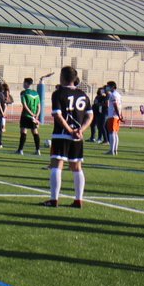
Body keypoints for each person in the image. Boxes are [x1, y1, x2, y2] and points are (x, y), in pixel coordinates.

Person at [43, 66, 92, 208]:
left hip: (61, 134)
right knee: (77, 167)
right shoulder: (83, 94)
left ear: (63, 77)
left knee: (56, 165)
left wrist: (69, 130)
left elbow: (57, 114)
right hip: (78, 136)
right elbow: (90, 115)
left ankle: (53, 200)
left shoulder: (58, 94)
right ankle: (78, 200)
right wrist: (80, 130)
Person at [16, 77, 41, 155]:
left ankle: (20, 150)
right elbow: (39, 106)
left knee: (23, 131)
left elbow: (25, 105)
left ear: (26, 83)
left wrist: (30, 113)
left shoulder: (23, 92)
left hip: (26, 115)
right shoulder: (36, 93)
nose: (23, 84)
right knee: (35, 132)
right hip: (33, 116)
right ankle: (38, 150)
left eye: (24, 82)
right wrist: (36, 115)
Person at [104, 81, 123, 155]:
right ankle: (115, 150)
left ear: (112, 87)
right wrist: (120, 115)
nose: (107, 87)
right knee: (115, 133)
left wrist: (118, 114)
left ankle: (112, 150)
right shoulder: (118, 95)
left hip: (113, 115)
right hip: (117, 116)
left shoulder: (113, 95)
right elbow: (120, 105)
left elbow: (115, 105)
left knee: (111, 133)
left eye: (108, 86)